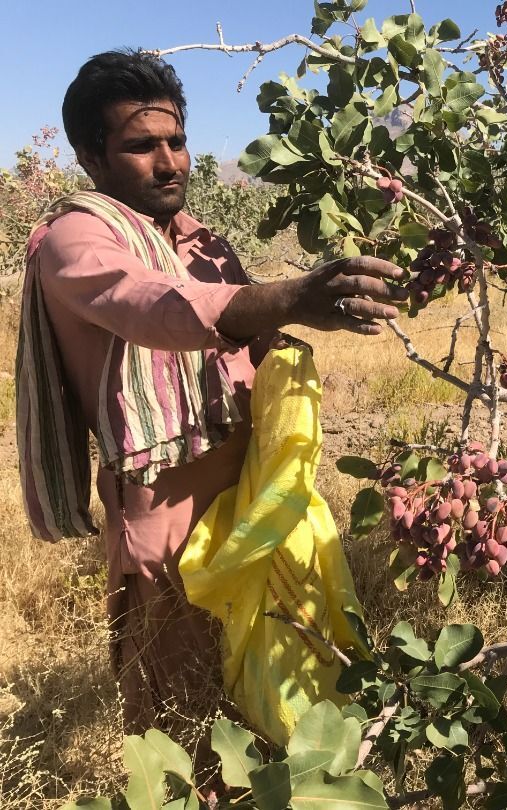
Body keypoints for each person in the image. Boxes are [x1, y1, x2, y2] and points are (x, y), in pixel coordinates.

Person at [15, 49, 406, 732]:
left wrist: (301, 327)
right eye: (142, 146)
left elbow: (248, 341)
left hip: (251, 502)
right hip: (163, 517)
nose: (170, 162)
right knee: (184, 715)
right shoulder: (75, 240)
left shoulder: (204, 244)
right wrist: (287, 297)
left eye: (177, 141)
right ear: (90, 157)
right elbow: (152, 305)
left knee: (279, 688)